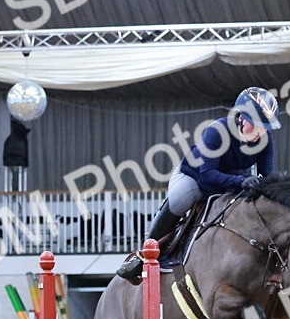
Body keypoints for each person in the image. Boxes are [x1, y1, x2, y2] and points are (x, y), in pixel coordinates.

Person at [116, 87, 280, 284]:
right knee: (180, 200)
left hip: (232, 183)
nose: (259, 133)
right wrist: (241, 182)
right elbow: (207, 173)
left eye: (264, 128)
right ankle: (143, 255)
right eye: (255, 126)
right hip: (196, 179)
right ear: (241, 118)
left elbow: (267, 176)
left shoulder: (265, 138)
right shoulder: (218, 131)